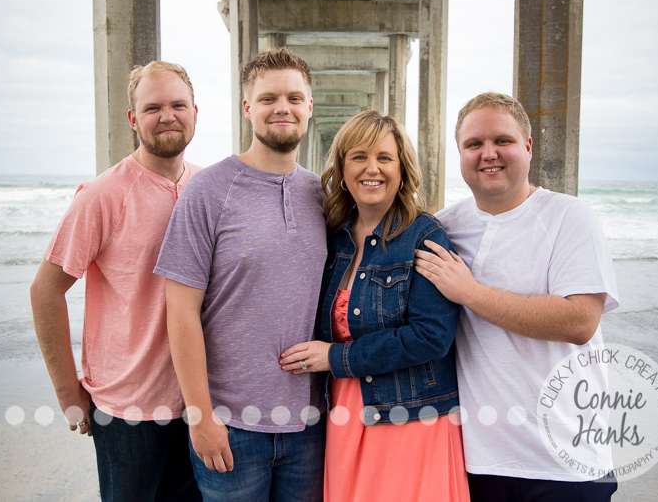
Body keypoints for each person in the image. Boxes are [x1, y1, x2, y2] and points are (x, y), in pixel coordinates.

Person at [414, 92, 620, 501]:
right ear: (460, 154)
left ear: (527, 147)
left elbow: (579, 321)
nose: (488, 153)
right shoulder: (442, 229)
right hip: (476, 460)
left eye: (502, 141)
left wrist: (470, 292)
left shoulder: (570, 217)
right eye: (474, 144)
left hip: (566, 461)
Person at [154, 47, 327, 502]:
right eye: (268, 98)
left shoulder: (323, 195)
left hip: (311, 425)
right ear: (248, 108)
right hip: (231, 426)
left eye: (294, 97)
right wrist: (200, 417)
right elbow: (181, 312)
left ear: (310, 107)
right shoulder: (208, 191)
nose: (282, 108)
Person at [30, 61, 202, 501]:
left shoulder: (207, 188)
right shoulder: (104, 195)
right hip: (127, 411)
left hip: (200, 401)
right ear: (132, 119)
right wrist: (69, 393)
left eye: (178, 104)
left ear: (195, 113)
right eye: (153, 107)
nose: (168, 116)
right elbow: (45, 291)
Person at [279, 110, 470, 502]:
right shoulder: (334, 238)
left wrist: (336, 358)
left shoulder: (424, 234)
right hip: (346, 410)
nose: (373, 169)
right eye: (359, 157)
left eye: (385, 158)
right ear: (342, 168)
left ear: (402, 169)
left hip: (410, 415)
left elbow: (432, 336)